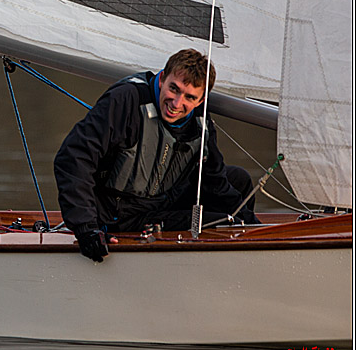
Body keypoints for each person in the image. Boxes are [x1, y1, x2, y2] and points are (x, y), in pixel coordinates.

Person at [54, 48, 258, 262]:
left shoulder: (200, 118)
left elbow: (213, 180)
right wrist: (86, 228)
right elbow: (73, 158)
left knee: (239, 182)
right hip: (120, 216)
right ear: (161, 79)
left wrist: (255, 226)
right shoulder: (126, 100)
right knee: (224, 223)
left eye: (189, 97)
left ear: (200, 100)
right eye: (174, 89)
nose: (177, 103)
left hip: (162, 201)